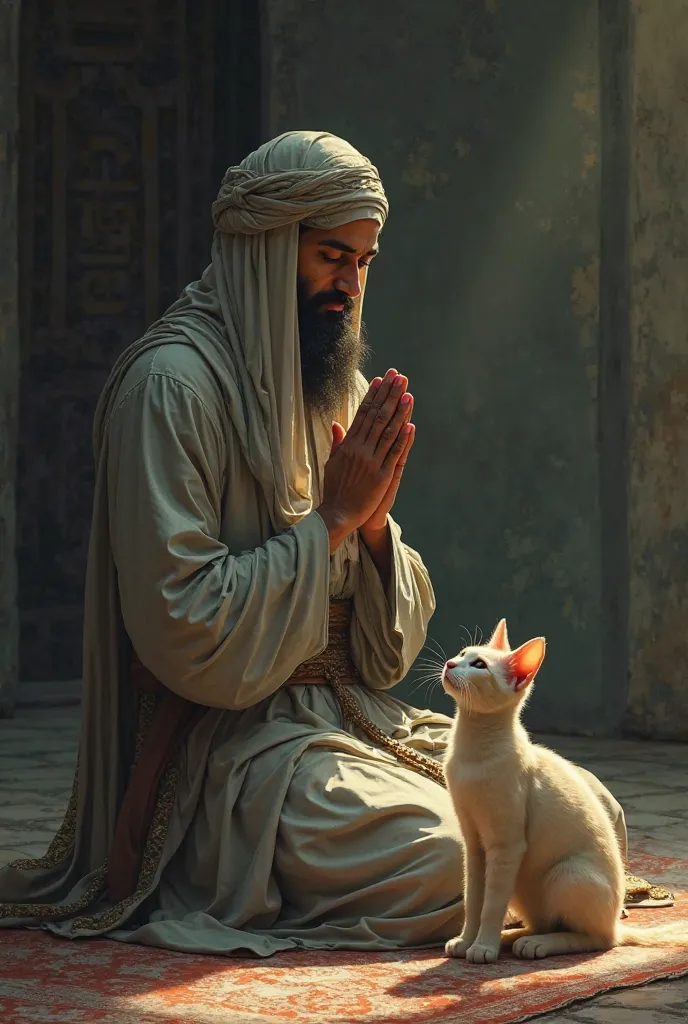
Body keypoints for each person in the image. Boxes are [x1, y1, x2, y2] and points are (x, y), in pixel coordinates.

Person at [0, 131, 633, 956]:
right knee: (449, 861)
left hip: (351, 717)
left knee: (586, 816)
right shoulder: (170, 389)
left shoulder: (332, 378)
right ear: (266, 246)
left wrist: (372, 530)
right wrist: (332, 520)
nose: (351, 282)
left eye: (364, 261)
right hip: (229, 752)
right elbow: (179, 623)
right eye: (334, 255)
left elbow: (382, 657)